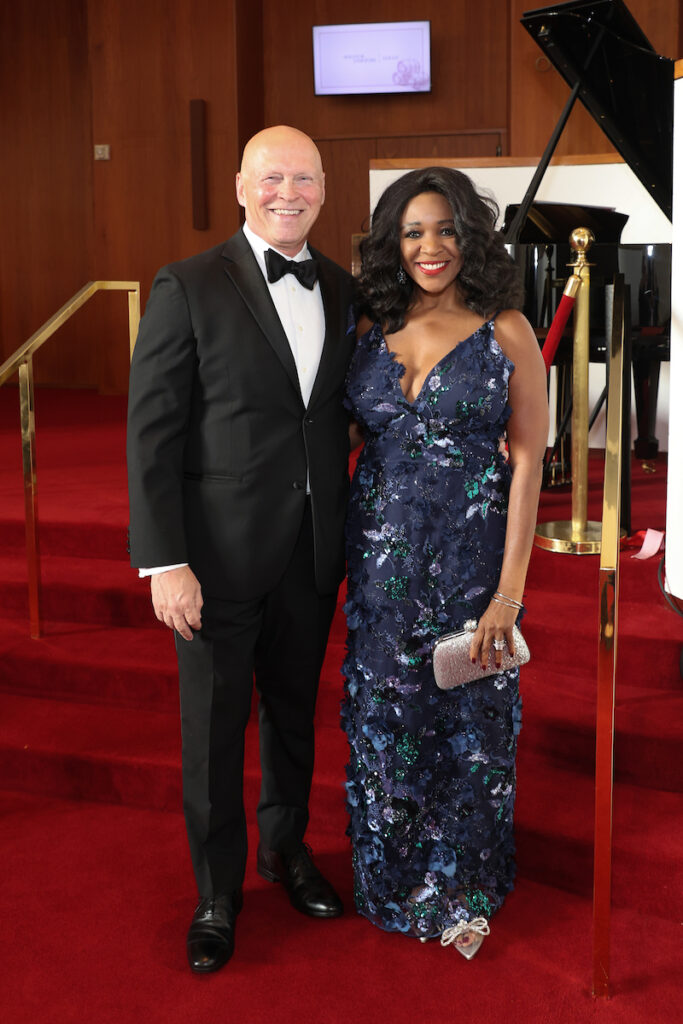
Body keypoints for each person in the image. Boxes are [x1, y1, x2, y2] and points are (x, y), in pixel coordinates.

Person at [127, 126, 356, 974]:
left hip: (309, 552)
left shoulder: (339, 285)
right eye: (271, 178)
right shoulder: (187, 284)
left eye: (303, 178)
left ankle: (286, 852)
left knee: (293, 718)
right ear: (239, 186)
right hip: (213, 561)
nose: (286, 192)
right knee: (214, 733)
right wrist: (163, 560)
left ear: (325, 188)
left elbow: (338, 412)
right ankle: (216, 892)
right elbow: (151, 433)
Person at [342, 167, 548, 958]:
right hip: (380, 565)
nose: (431, 247)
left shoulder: (504, 329)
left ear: (471, 237)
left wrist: (509, 596)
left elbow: (528, 463)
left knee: (469, 724)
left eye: (446, 230)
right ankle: (391, 879)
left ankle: (462, 881)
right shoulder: (370, 327)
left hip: (470, 565)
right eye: (414, 232)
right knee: (386, 719)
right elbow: (341, 436)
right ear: (394, 244)